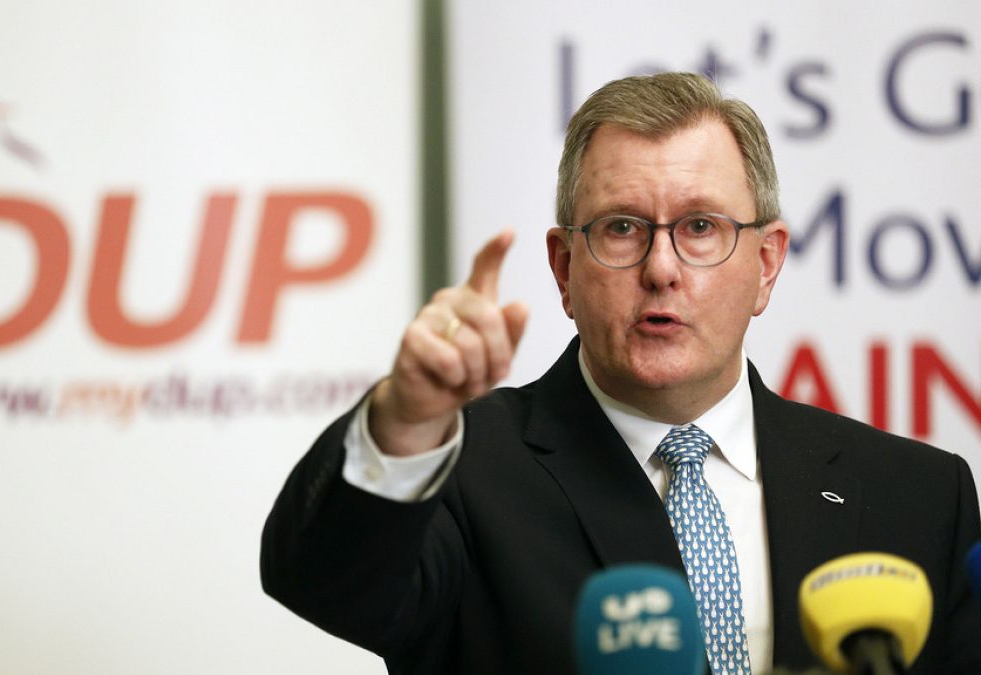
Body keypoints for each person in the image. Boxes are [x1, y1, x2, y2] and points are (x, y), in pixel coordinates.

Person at [260, 73, 981, 674]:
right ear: (565, 270)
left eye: (701, 226)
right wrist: (408, 417)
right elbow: (327, 583)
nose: (661, 269)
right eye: (622, 228)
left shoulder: (917, 496)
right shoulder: (460, 472)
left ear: (765, 266)